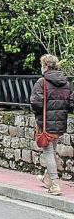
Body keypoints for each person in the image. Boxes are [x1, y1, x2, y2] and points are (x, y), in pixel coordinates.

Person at [30, 54, 73, 196]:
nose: (41, 68)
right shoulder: (66, 83)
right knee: (52, 150)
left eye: (42, 65)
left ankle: (54, 183)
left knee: (48, 152)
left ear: (46, 66)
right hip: (60, 123)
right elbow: (71, 103)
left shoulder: (42, 82)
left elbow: (35, 103)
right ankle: (46, 179)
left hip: (46, 124)